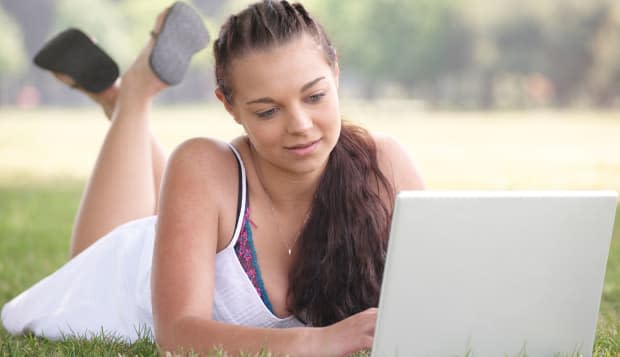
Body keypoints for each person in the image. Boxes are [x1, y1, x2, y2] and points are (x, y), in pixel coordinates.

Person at [1, 1, 424, 356]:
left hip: (192, 227)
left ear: (335, 72)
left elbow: (445, 283)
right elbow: (178, 334)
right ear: (229, 106)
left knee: (178, 190)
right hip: (122, 274)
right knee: (92, 259)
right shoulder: (202, 164)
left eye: (314, 96)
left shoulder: (382, 165)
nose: (301, 125)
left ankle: (116, 100)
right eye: (267, 110)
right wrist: (317, 342)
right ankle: (132, 94)